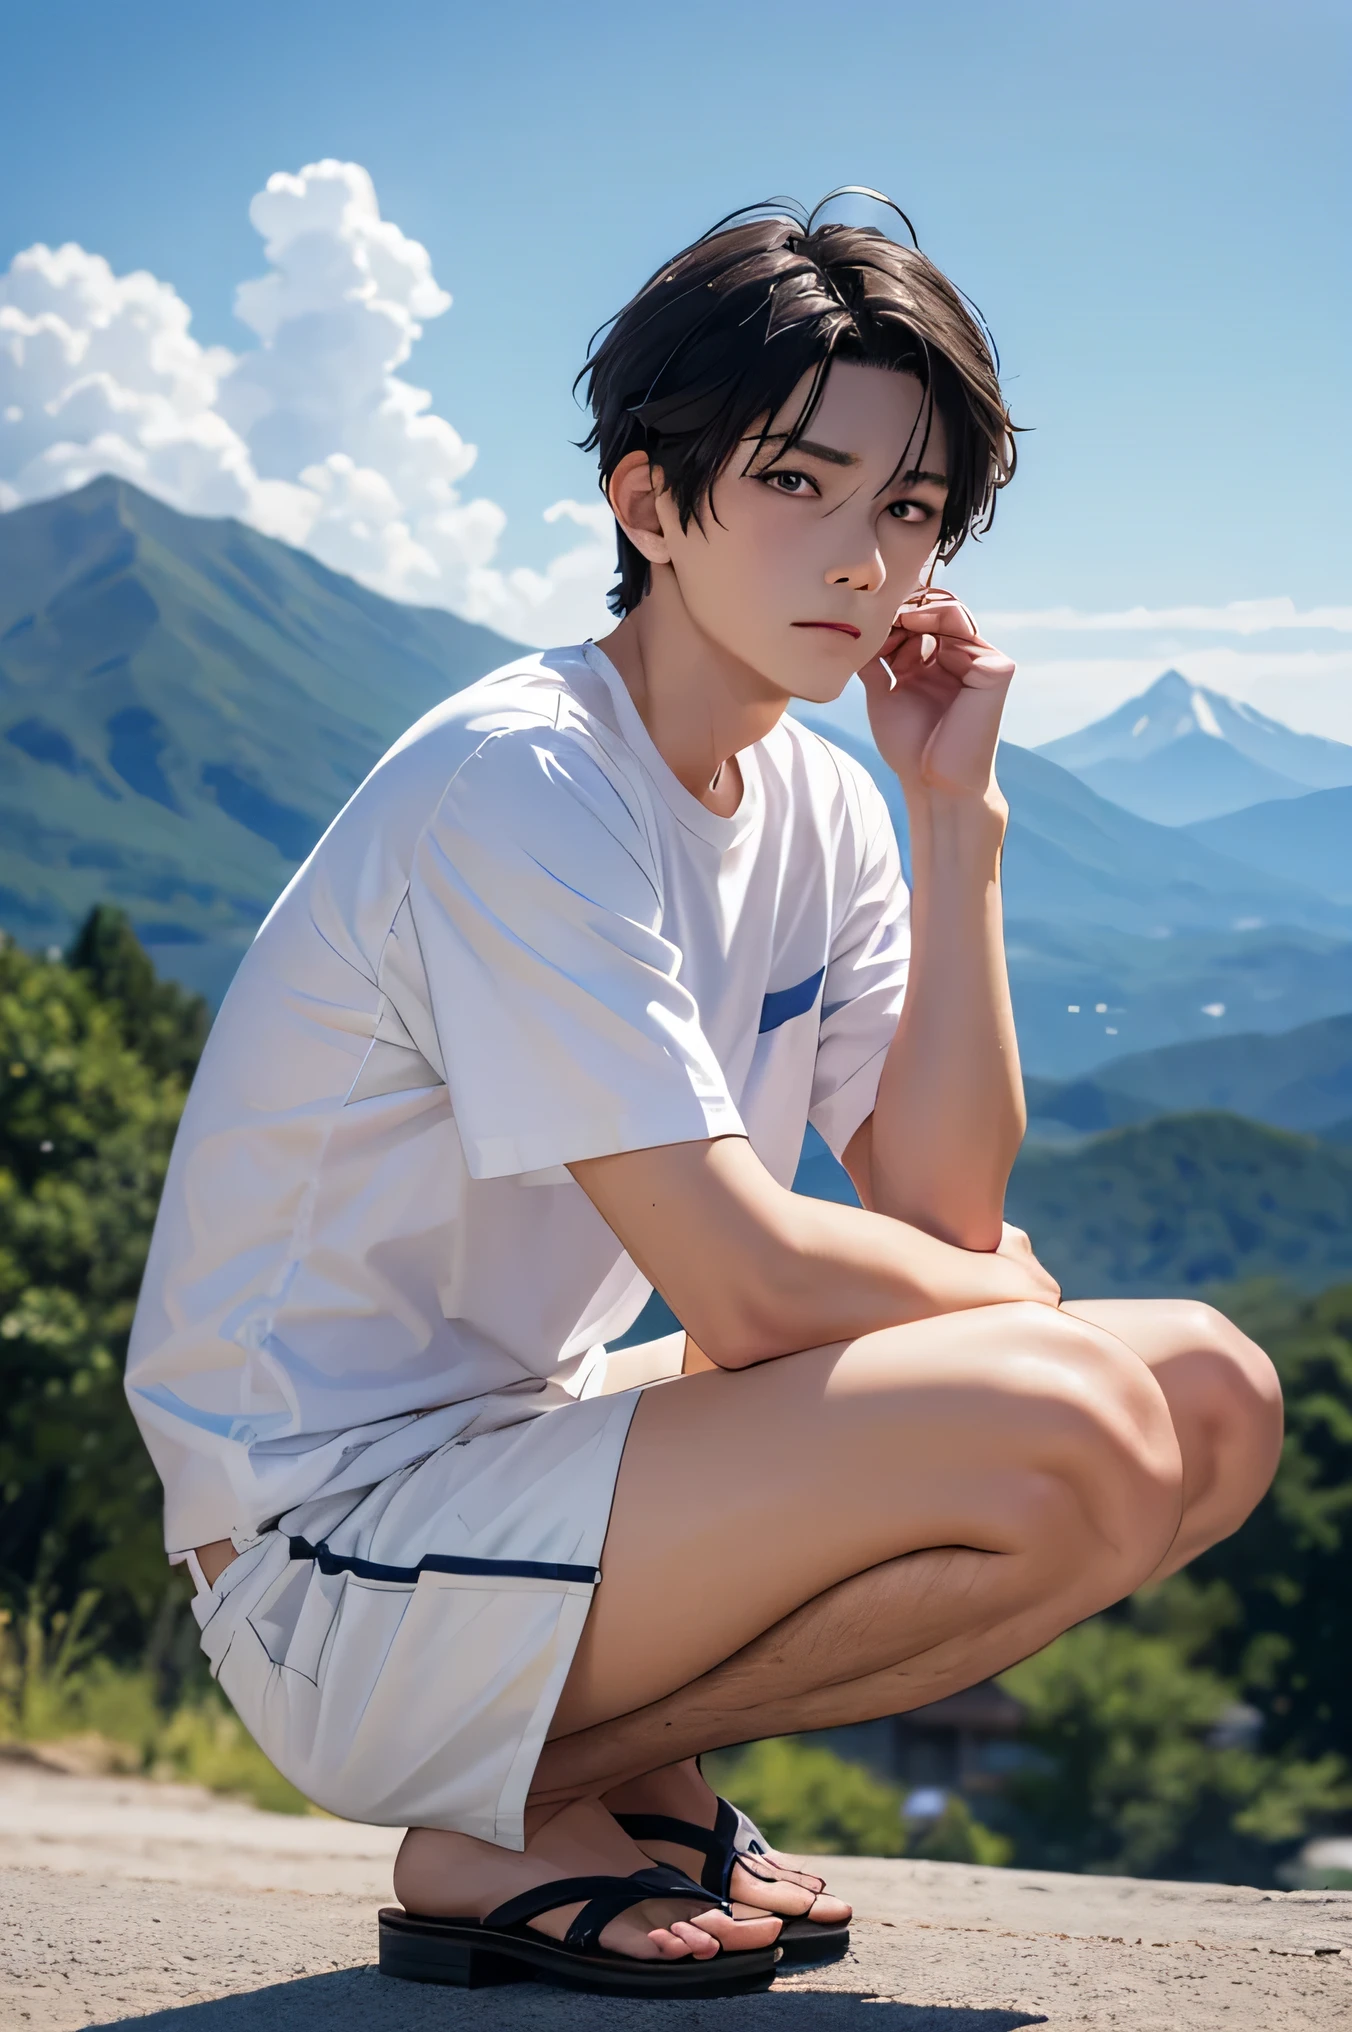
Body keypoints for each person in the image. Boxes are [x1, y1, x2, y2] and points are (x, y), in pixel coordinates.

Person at [125, 194, 1283, 1998]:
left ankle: (619, 1779)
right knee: (1074, 1418)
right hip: (330, 1563)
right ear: (649, 501)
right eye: (799, 484)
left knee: (1208, 1392)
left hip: (519, 1464)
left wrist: (953, 824)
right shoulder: (524, 785)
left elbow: (937, 1213)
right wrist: (1008, 1301)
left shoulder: (819, 805)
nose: (862, 559)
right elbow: (759, 1286)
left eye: (908, 512)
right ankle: (502, 1812)